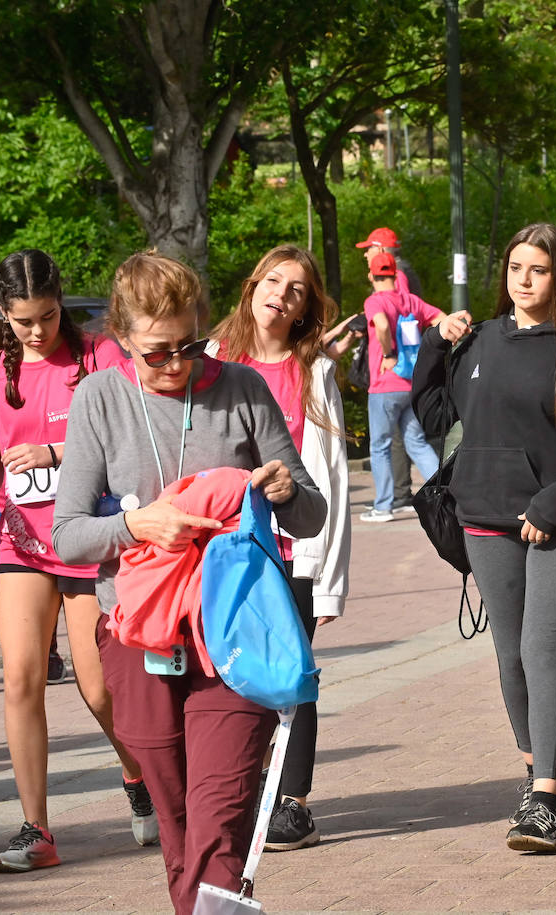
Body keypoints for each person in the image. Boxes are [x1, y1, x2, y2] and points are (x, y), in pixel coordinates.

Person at [51, 251, 326, 914]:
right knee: (178, 830)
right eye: (156, 351)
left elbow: (312, 511)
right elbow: (67, 535)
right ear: (121, 339)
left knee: (217, 818)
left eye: (189, 344)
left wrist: (288, 489)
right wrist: (138, 525)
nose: (176, 363)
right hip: (137, 633)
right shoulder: (100, 397)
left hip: (235, 630)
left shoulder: (242, 389)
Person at [411, 222, 556, 852]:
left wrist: (553, 504)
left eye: (539, 271)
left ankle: (547, 799)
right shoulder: (479, 341)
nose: (525, 282)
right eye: (516, 269)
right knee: (510, 656)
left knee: (541, 650)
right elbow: (437, 415)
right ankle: (534, 771)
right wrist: (433, 347)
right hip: (483, 517)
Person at [0, 250, 155, 873]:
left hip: (89, 539)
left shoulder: (99, 358)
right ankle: (36, 829)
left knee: (98, 685)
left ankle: (140, 777)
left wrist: (55, 454)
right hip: (20, 543)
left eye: (49, 316)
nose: (39, 331)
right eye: (24, 321)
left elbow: (130, 435)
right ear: (4, 316)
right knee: (20, 679)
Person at [210, 245, 351, 852]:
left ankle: (292, 802)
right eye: (273, 281)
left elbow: (333, 477)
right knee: (230, 670)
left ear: (304, 310)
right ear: (251, 287)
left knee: (291, 673)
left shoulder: (312, 371)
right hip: (224, 549)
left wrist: (330, 578)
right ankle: (236, 791)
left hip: (293, 549)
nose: (281, 294)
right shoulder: (212, 360)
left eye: (297, 290)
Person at [360, 251, 446, 523]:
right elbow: (443, 319)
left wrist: (387, 355)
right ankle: (443, 494)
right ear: (395, 274)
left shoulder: (374, 301)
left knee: (380, 447)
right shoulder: (411, 301)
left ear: (372, 276)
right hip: (412, 384)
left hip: (384, 387)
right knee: (417, 443)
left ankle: (384, 505)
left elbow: (382, 324)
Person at [356, 227, 422, 512]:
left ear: (381, 251)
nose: (366, 255)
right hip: (407, 371)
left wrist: (389, 353)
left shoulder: (396, 280)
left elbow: (397, 320)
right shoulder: (406, 274)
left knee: (390, 439)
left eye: (369, 249)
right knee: (411, 438)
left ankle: (397, 496)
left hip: (393, 373)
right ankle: (405, 493)